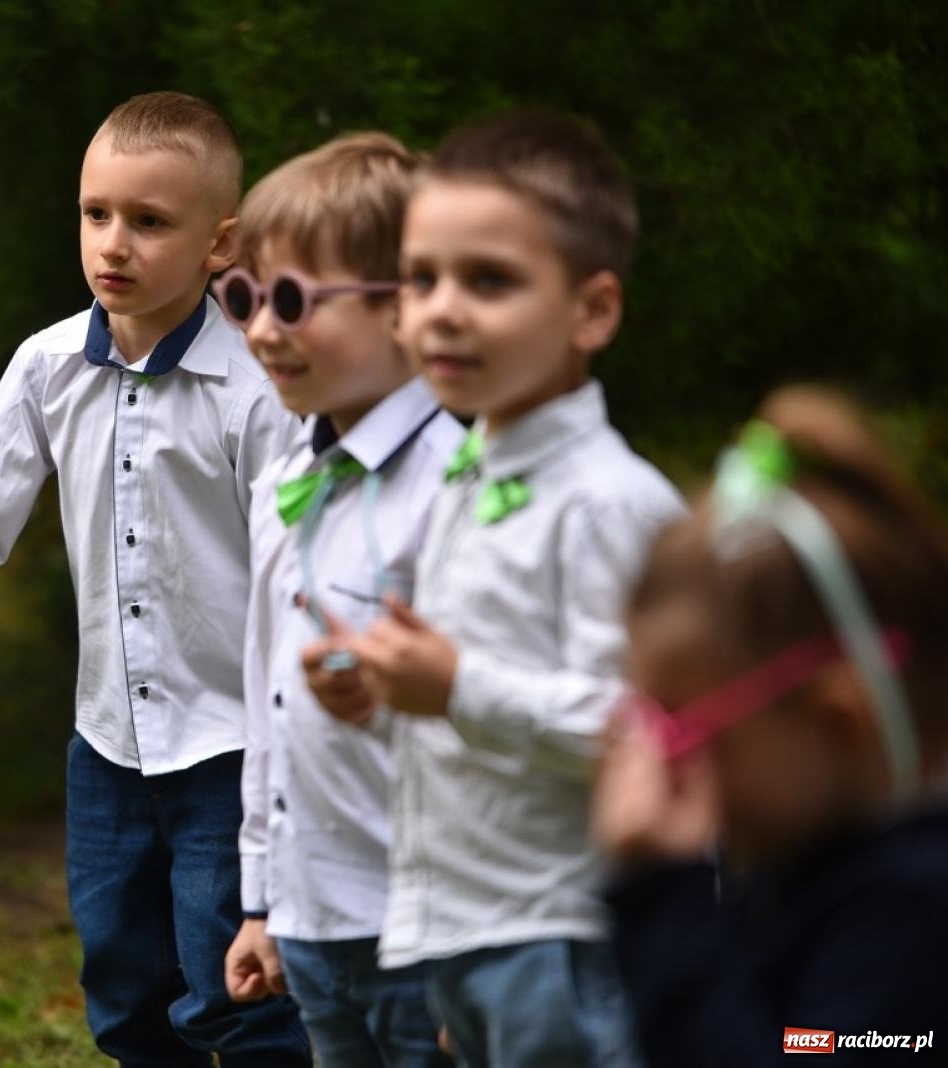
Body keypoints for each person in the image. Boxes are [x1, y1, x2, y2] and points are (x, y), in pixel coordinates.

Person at [0, 91, 310, 1065]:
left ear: (220, 243)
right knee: (124, 988)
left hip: (230, 743)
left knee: (236, 990)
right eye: (96, 214)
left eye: (150, 221)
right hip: (107, 745)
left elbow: (294, 564)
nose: (114, 244)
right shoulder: (48, 364)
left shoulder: (255, 389)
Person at [308, 110, 682, 1066]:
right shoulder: (467, 474)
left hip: (567, 936)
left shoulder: (607, 504)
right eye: (421, 278)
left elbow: (649, 737)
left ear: (592, 312)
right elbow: (474, 711)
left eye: (489, 281)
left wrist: (456, 686)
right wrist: (385, 696)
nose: (442, 309)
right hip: (469, 934)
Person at [594, 388, 948, 1066]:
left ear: (840, 716)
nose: (658, 766)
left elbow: (808, 1048)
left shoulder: (919, 913)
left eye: (686, 736)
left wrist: (665, 897)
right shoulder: (799, 864)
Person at [215, 132, 462, 1066]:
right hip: (313, 919)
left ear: (402, 309)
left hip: (425, 932)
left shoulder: (455, 493)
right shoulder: (288, 478)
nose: (260, 332)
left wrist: (476, 943)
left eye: (291, 300)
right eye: (244, 298)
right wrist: (263, 902)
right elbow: (267, 700)